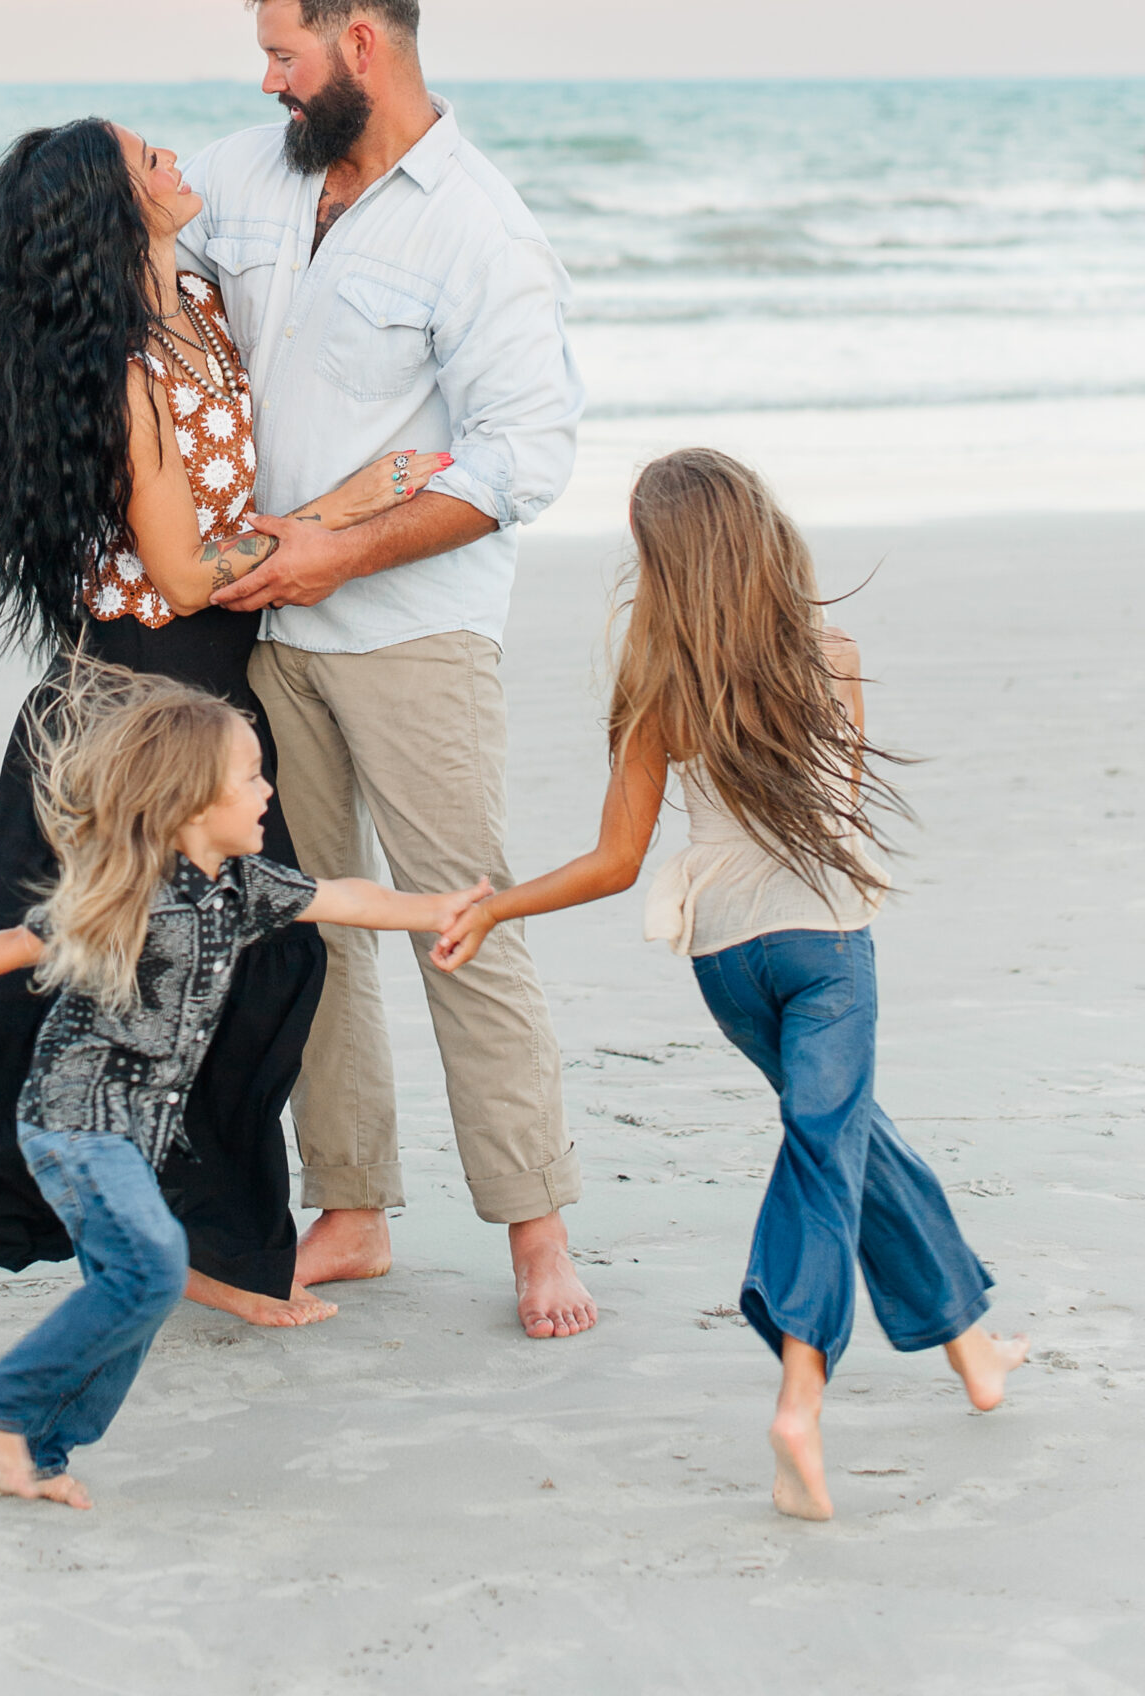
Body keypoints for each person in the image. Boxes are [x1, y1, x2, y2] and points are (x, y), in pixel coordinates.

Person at [0, 115, 449, 1328]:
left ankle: (213, 1242)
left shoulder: (196, 296)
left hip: (205, 682)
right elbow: (182, 574)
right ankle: (34, 1206)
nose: (175, 159)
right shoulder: (121, 367)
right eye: (148, 157)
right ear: (112, 206)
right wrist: (339, 512)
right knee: (70, 948)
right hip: (141, 692)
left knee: (240, 952)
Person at [433, 447, 1029, 1517]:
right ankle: (801, 1395)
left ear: (661, 569)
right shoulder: (829, 654)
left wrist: (495, 902)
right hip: (826, 944)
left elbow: (615, 863)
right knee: (825, 1149)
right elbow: (838, 815)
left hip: (724, 959)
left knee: (854, 1135)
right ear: (764, 540)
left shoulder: (656, 693)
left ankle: (973, 1348)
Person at [177, 0, 595, 1340]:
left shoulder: (479, 225)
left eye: (283, 56)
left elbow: (523, 455)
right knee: (305, 929)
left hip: (414, 632)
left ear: (362, 45)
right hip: (264, 641)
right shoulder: (246, 180)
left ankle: (536, 1229)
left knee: (461, 913)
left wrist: (344, 548)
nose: (268, 87)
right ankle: (349, 1208)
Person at [0, 666, 492, 1508]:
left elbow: (344, 896)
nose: (269, 790)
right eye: (251, 777)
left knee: (131, 1300)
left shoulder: (245, 888)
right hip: (76, 1124)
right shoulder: (126, 891)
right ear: (192, 804)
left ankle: (30, 1458)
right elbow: (16, 944)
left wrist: (442, 907)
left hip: (130, 1139)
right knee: (151, 1272)